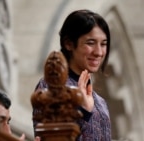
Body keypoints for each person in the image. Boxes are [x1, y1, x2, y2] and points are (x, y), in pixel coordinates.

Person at [33, 9, 112, 141]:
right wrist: (84, 111)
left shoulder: (100, 102)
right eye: (90, 43)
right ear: (69, 44)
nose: (99, 52)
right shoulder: (52, 87)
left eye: (103, 44)